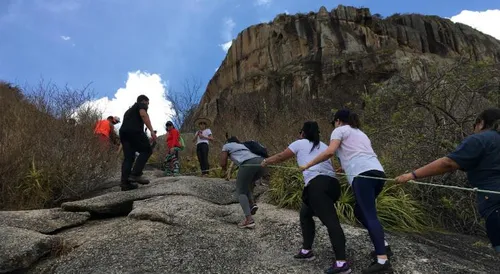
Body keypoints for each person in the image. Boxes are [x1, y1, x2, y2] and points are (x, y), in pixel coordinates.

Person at [395, 108, 500, 256]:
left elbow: (448, 163)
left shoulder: (481, 139)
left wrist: (412, 175)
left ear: (481, 123)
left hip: (495, 205)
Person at [300, 109, 393, 274]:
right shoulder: (360, 133)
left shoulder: (339, 130)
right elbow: (360, 153)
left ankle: (382, 260)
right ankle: (383, 245)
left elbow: (329, 151)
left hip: (362, 175)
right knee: (360, 211)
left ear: (338, 121)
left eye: (333, 122)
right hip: (378, 173)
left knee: (369, 214)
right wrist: (344, 167)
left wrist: (309, 165)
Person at [262, 121, 352, 274]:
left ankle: (342, 263)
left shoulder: (299, 143)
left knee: (331, 222)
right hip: (332, 185)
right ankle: (306, 250)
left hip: (317, 185)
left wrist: (265, 161)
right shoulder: (324, 145)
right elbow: (331, 164)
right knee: (305, 213)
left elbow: (281, 156)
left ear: (303, 132)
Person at [220, 136, 263, 228]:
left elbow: (223, 163)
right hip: (262, 163)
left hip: (248, 164)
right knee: (246, 184)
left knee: (240, 191)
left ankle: (249, 220)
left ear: (228, 141)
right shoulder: (243, 146)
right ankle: (252, 204)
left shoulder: (227, 145)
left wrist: (223, 169)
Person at [119, 95, 157, 191]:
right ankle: (135, 174)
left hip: (124, 133)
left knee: (129, 158)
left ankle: (125, 183)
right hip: (134, 131)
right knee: (147, 150)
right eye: (148, 103)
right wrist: (152, 131)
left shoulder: (128, 111)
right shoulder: (140, 105)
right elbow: (143, 115)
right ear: (144, 101)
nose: (148, 106)